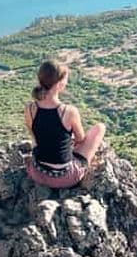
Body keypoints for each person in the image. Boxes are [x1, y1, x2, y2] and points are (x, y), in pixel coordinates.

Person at [24, 59, 106, 189]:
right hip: (65, 178)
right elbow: (80, 139)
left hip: (37, 173)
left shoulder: (29, 108)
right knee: (100, 128)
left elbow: (34, 137)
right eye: (65, 80)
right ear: (59, 84)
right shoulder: (68, 111)